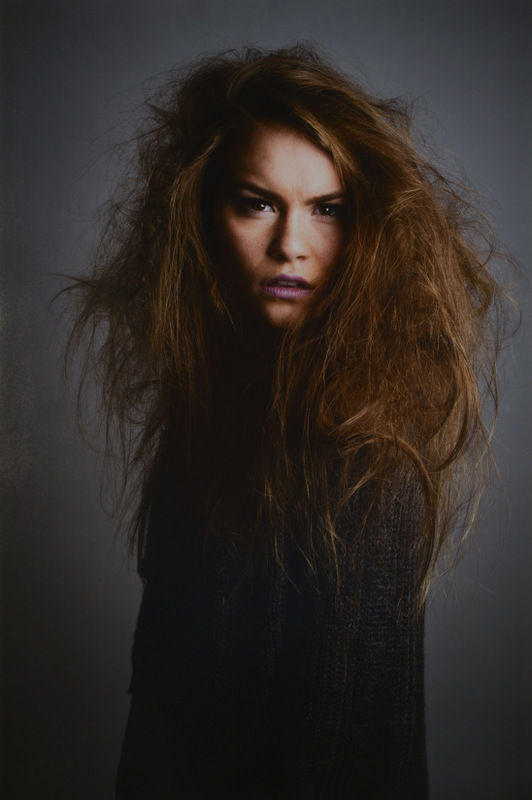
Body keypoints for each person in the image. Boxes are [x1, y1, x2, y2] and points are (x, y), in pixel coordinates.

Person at [67, 45, 509, 799]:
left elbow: (349, 757)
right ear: (205, 215)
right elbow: (162, 722)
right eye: (258, 203)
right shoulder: (202, 422)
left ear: (367, 228)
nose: (290, 246)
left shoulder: (369, 462)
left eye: (327, 209)